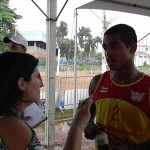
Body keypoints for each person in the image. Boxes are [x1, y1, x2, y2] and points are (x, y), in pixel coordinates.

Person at [0, 51, 93, 150]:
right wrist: (77, 126)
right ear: (22, 84)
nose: (40, 83)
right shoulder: (11, 125)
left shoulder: (10, 117)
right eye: (36, 77)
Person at [84, 24, 150, 149]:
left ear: (132, 48)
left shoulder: (147, 87)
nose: (108, 53)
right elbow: (88, 117)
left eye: (114, 46)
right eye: (105, 48)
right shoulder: (97, 82)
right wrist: (88, 126)